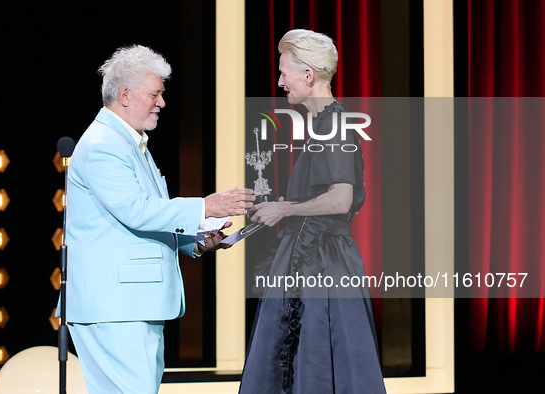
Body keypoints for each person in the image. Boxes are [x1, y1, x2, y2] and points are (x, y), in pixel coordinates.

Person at [60, 44, 254, 393]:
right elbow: (135, 210)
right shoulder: (105, 144)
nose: (161, 103)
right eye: (155, 94)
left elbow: (138, 218)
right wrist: (206, 207)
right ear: (125, 95)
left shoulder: (129, 143)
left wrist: (192, 239)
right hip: (116, 306)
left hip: (131, 305)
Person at [239, 30, 387, 393]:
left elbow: (341, 200)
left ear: (308, 75)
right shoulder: (322, 126)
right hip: (309, 256)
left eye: (284, 72)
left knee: (317, 359)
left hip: (321, 263)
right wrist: (264, 217)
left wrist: (283, 208)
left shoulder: (333, 127)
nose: (279, 81)